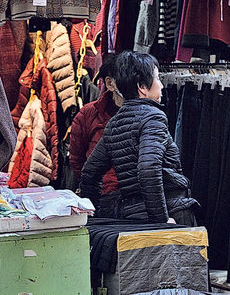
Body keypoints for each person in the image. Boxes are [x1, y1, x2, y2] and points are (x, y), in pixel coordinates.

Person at [80, 51, 198, 224]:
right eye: (157, 79)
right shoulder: (153, 117)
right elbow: (149, 168)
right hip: (171, 210)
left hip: (132, 217)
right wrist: (161, 221)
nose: (162, 85)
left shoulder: (114, 123)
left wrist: (94, 218)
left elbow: (89, 173)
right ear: (142, 86)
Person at [69, 55, 122, 217]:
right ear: (109, 83)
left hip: (135, 200)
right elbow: (77, 159)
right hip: (100, 198)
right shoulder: (89, 114)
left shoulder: (146, 114)